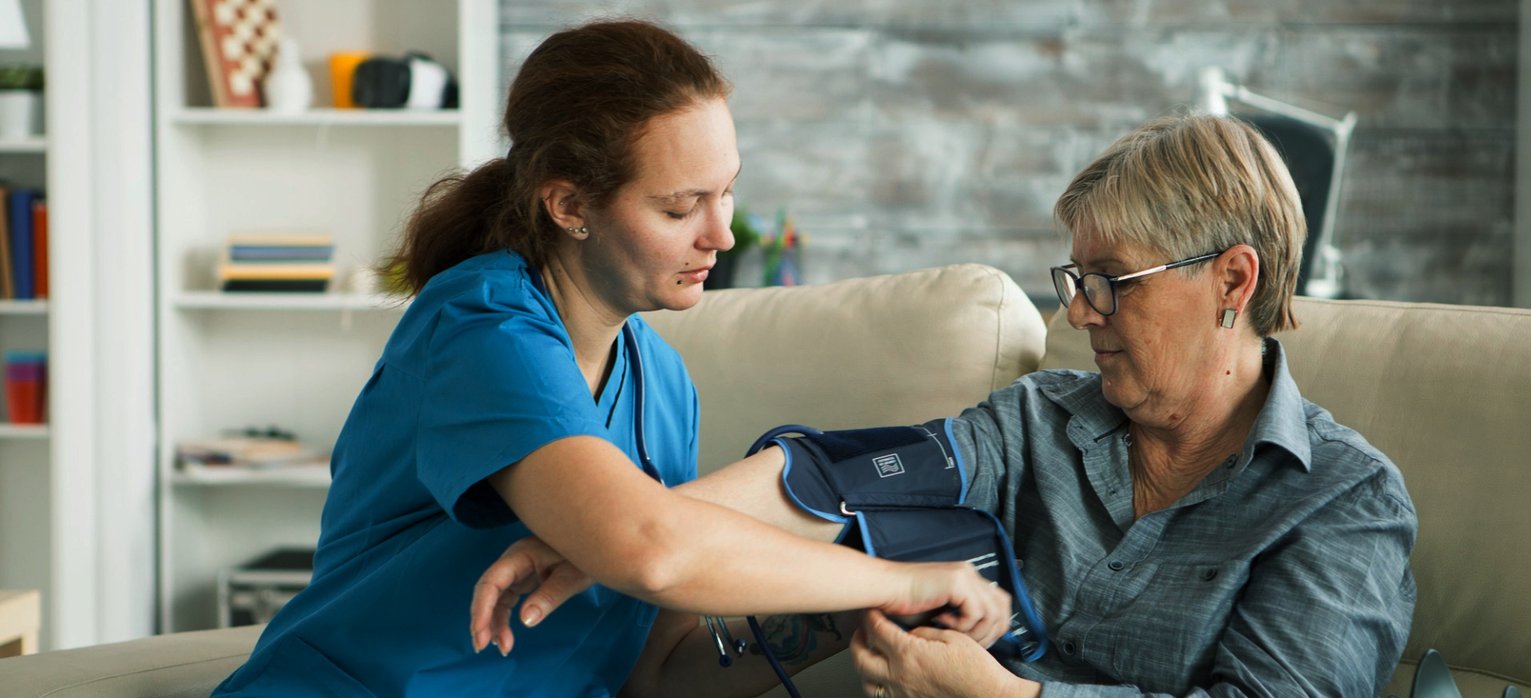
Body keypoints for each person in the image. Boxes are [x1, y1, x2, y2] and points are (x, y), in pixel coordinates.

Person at [471, 112, 1418, 697]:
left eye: (1111, 281)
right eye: (1073, 277)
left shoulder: (1343, 502)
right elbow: (828, 477)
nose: (1079, 312)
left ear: (1233, 279)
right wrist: (615, 532)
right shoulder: (1040, 418)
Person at [213, 19, 1010, 698]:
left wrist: (842, 618)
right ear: (569, 205)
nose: (722, 235)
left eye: (726, 191)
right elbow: (650, 550)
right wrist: (899, 575)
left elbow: (652, 675)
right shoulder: (481, 327)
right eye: (678, 206)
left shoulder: (662, 382)